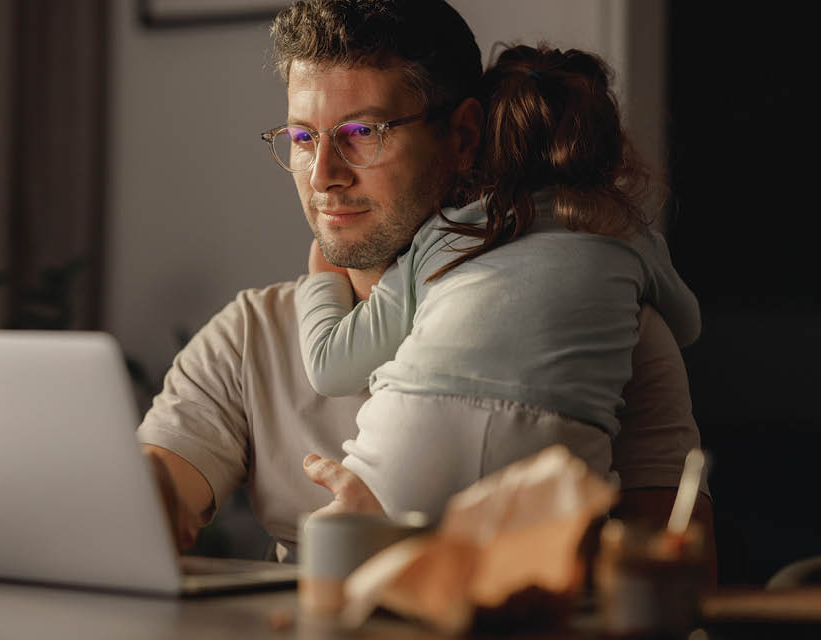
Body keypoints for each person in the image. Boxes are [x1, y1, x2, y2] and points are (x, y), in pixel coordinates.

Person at [136, 0, 713, 569]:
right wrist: (138, 496)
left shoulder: (621, 333)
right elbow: (147, 501)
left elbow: (675, 584)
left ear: (463, 137)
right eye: (302, 138)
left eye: (362, 132)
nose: (324, 177)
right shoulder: (250, 335)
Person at [293, 43, 700, 520]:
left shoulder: (444, 233)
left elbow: (329, 366)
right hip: (551, 453)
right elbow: (687, 325)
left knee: (362, 560)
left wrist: (322, 272)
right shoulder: (624, 234)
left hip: (412, 435)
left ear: (473, 141)